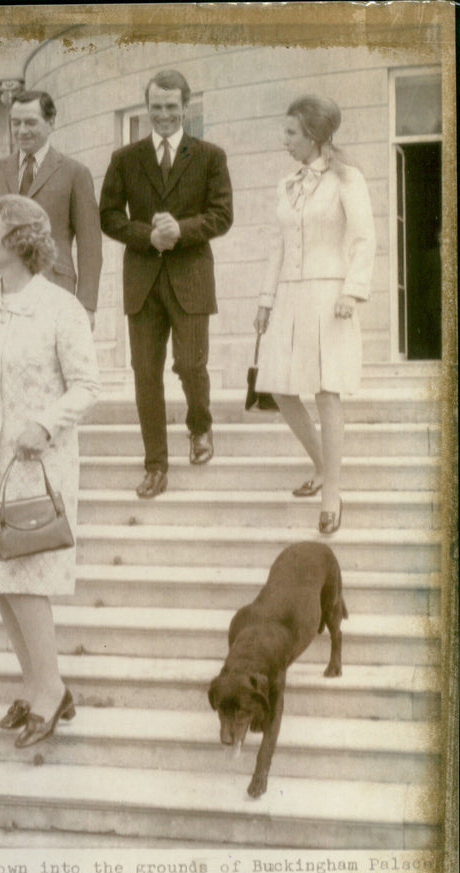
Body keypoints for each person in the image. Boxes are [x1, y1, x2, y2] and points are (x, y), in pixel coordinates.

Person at [0, 195, 100, 748]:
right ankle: (36, 684)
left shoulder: (61, 308)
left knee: (25, 579)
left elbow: (86, 385)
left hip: (38, 464)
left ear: (19, 243)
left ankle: (51, 689)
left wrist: (45, 424)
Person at [100, 69, 233, 499]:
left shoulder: (210, 156)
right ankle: (155, 465)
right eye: (155, 107)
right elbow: (109, 216)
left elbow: (222, 215)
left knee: (190, 364)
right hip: (142, 282)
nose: (163, 115)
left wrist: (181, 230)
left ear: (186, 107)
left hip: (191, 279)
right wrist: (147, 236)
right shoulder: (125, 158)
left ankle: (200, 424)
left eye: (171, 107)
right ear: (147, 107)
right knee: (145, 374)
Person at [254, 95, 376, 534]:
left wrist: (353, 291)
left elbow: (364, 237)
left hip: (330, 298)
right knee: (280, 388)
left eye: (291, 133)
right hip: (288, 297)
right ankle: (323, 465)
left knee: (326, 392)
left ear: (313, 135)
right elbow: (277, 245)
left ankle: (331, 494)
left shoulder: (347, 178)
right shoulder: (286, 185)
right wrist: (265, 301)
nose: (283, 140)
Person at [0, 89, 102, 325]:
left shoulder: (75, 173)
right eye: (15, 123)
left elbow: (90, 246)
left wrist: (87, 306)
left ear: (51, 123)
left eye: (30, 122)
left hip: (54, 287)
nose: (22, 130)